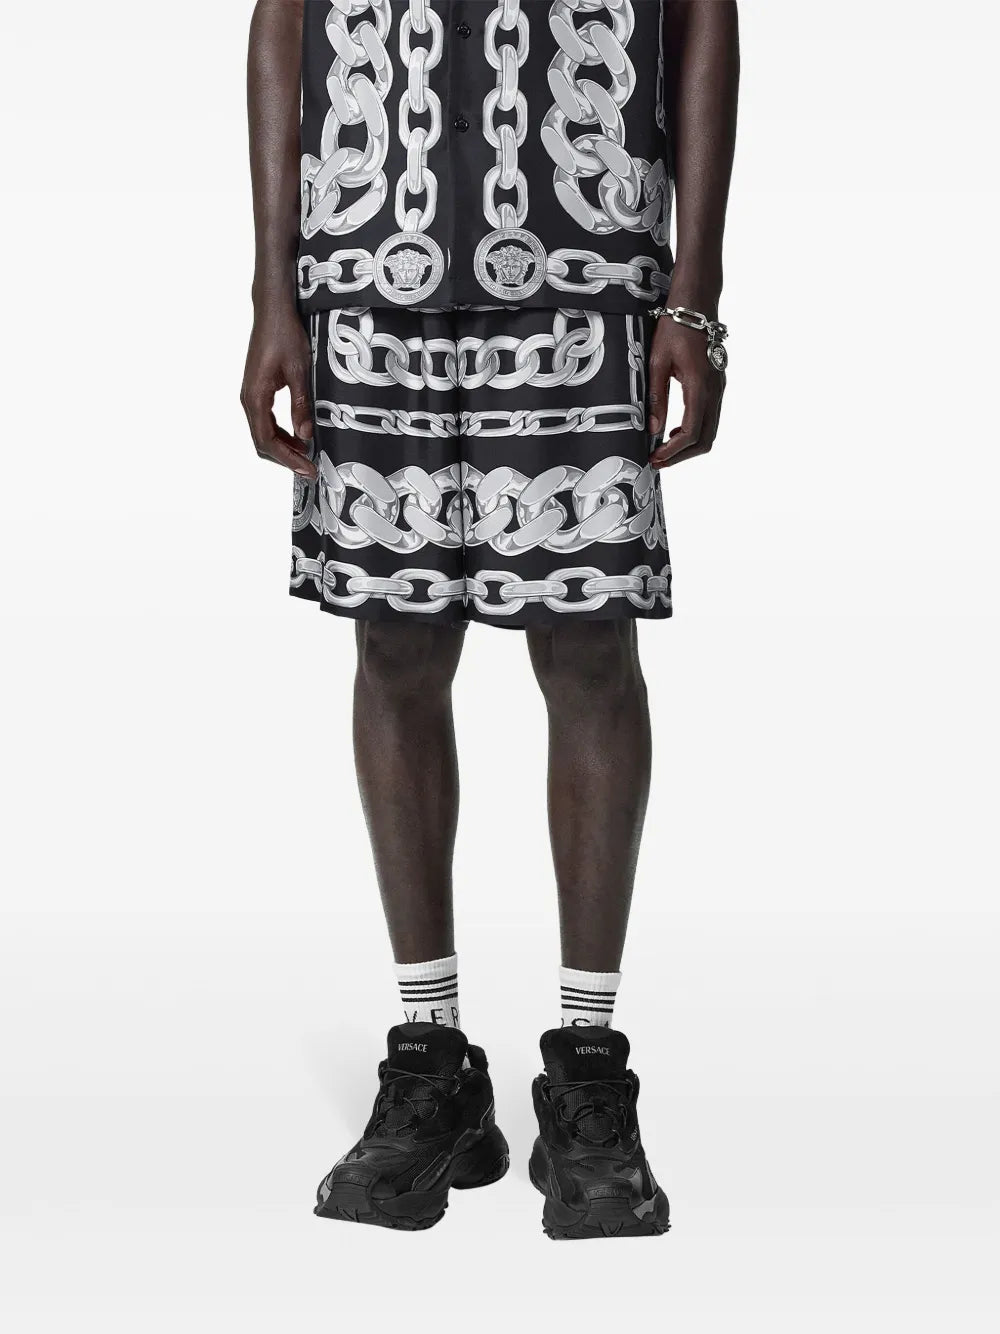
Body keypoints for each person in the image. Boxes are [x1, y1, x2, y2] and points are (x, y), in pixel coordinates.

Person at [243, 0, 739, 1240]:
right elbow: (281, 20)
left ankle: (587, 1069)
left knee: (589, 642)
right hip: (370, 256)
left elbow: (702, 13)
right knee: (395, 643)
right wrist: (272, 291)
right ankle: (432, 1058)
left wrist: (694, 294)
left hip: (584, 260)